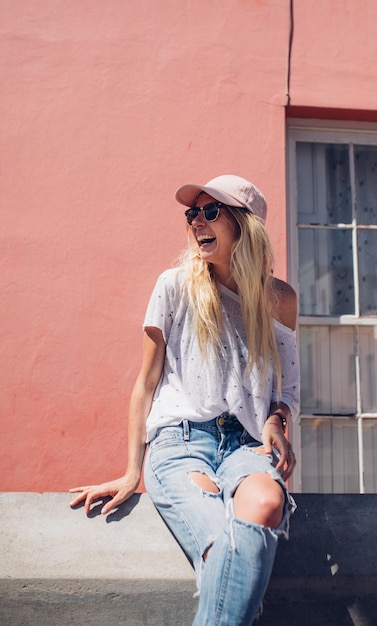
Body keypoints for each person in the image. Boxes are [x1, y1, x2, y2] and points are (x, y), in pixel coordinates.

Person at [70, 174, 300, 626]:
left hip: (245, 445)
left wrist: (276, 421)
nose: (197, 221)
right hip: (180, 445)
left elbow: (286, 388)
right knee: (223, 542)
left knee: (267, 505)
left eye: (210, 211)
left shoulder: (279, 299)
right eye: (191, 213)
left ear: (244, 225)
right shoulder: (174, 286)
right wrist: (132, 470)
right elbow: (146, 382)